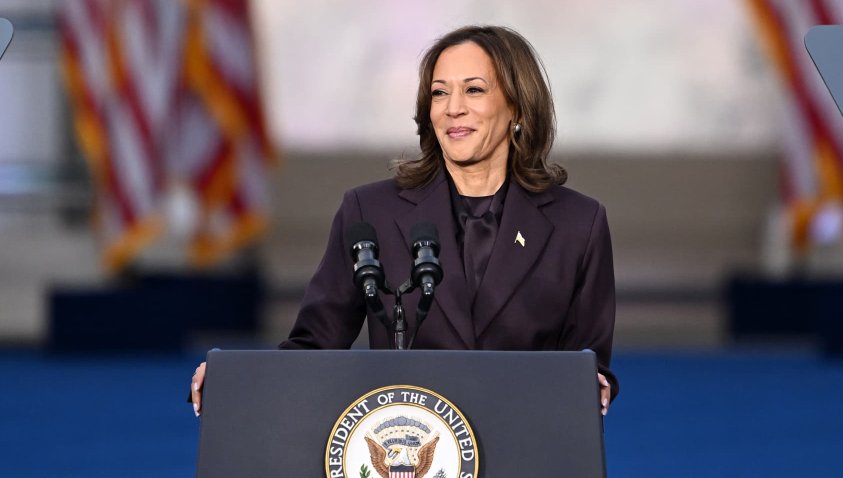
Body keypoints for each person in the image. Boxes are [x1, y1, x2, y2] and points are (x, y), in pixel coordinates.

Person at [191, 25, 617, 416]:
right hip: (408, 451)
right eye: (439, 93)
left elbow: (586, 363)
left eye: (473, 90)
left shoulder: (577, 224)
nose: (453, 109)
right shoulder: (371, 212)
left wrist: (595, 383)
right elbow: (315, 345)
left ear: (518, 107)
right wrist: (239, 381)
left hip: (526, 445)